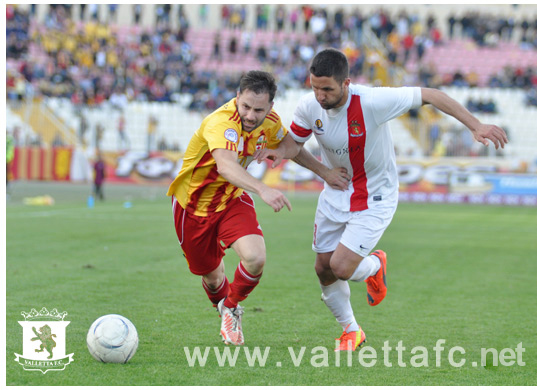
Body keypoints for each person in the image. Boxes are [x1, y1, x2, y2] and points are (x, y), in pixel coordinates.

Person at [255, 48, 508, 351]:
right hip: (335, 193)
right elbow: (293, 144)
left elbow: (432, 94)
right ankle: (351, 331)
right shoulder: (309, 106)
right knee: (322, 268)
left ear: (346, 83)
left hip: (376, 196)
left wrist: (475, 125)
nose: (320, 95)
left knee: (342, 267)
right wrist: (285, 155)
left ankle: (374, 265)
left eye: (327, 89)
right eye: (314, 87)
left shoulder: (373, 102)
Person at [167, 70, 301, 346]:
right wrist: (263, 188)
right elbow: (226, 165)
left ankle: (230, 308)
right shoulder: (220, 122)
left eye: (259, 110)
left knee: (255, 257)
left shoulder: (271, 122)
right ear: (237, 97)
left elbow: (292, 145)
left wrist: (322, 171)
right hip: (192, 208)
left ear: (271, 107)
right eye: (246, 107)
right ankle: (224, 306)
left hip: (231, 199)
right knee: (214, 278)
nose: (251, 115)